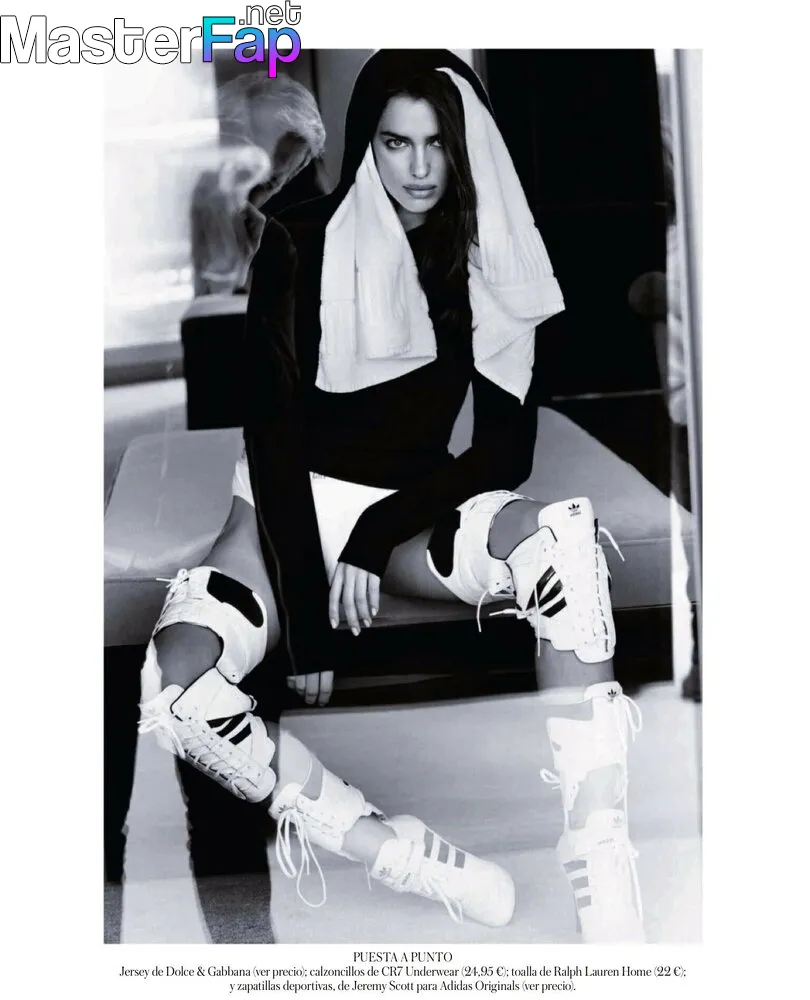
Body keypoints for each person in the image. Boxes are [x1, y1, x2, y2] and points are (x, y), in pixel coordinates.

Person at [139, 49, 645, 942]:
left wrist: (377, 532)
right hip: (280, 515)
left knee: (564, 545)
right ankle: (400, 853)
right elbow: (273, 438)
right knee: (174, 690)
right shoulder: (297, 240)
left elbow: (506, 450)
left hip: (405, 514)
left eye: (436, 144)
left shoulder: (490, 251)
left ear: (463, 147)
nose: (417, 168)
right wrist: (304, 614)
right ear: (365, 143)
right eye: (394, 142)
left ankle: (601, 868)